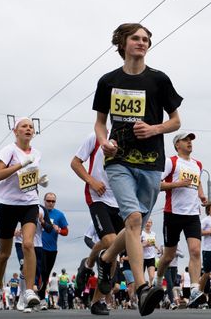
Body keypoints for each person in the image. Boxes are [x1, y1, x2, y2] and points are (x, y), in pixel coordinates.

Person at [93, 22, 183, 316]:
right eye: (136, 38)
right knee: (133, 219)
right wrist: (103, 141)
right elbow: (100, 122)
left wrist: (155, 128)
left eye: (146, 39)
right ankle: (143, 289)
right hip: (119, 160)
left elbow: (176, 121)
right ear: (122, 43)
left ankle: (106, 259)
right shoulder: (108, 81)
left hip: (151, 162)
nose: (142, 42)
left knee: (133, 225)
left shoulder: (159, 80)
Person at [0, 117, 48, 309]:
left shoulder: (37, 153)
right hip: (8, 204)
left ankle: (29, 291)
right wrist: (20, 165)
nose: (28, 129)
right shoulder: (9, 150)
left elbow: (27, 178)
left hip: (29, 203)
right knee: (5, 253)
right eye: (24, 126)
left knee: (29, 244)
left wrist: (39, 180)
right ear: (16, 131)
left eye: (31, 127)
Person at [71, 132, 124, 315]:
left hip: (121, 200)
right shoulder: (96, 138)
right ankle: (98, 293)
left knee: (113, 247)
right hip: (98, 197)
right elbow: (75, 163)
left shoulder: (132, 139)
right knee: (111, 244)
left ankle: (89, 267)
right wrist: (91, 181)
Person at [155, 132, 207, 308]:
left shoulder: (197, 164)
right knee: (168, 255)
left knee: (195, 250)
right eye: (185, 140)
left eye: (191, 140)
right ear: (177, 144)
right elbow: (157, 184)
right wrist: (177, 184)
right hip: (173, 213)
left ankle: (194, 288)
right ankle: (157, 280)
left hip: (192, 215)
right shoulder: (171, 161)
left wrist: (201, 195)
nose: (189, 142)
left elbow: (197, 181)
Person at [38, 192, 69, 308]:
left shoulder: (59, 215)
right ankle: (40, 299)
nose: (50, 203)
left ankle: (40, 297)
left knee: (46, 275)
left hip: (52, 249)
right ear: (44, 201)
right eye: (48, 201)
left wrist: (59, 230)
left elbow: (66, 231)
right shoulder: (39, 211)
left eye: (53, 201)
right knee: (41, 272)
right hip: (39, 247)